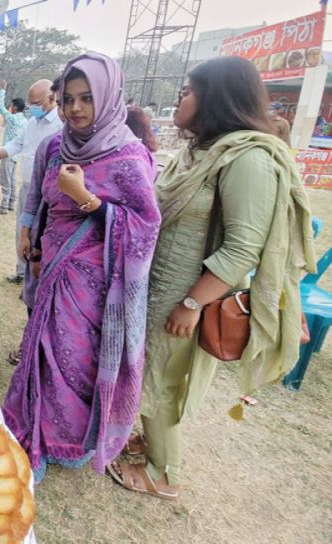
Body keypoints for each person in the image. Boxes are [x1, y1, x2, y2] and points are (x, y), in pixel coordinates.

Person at [109, 56, 315, 500]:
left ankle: (164, 474)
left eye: (187, 92)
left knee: (163, 380)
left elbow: (243, 246)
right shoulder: (198, 152)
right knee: (150, 370)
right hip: (159, 287)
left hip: (187, 297)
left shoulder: (249, 159)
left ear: (215, 98)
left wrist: (192, 304)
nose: (180, 99)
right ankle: (149, 442)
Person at [2, 52, 161, 481]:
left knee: (74, 360)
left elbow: (144, 228)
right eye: (68, 98)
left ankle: (65, 439)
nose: (75, 108)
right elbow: (37, 196)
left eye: (87, 98)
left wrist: (85, 198)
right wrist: (28, 234)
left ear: (108, 97)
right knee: (42, 349)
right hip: (51, 264)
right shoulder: (55, 146)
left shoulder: (130, 156)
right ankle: (33, 425)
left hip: (95, 284)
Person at [0, 79, 64, 284]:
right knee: (22, 231)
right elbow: (17, 144)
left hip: (48, 192)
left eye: (36, 103)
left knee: (41, 235)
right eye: (30, 103)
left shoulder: (60, 125)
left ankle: (37, 278)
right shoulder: (32, 123)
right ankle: (21, 272)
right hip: (28, 187)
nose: (32, 107)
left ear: (51, 98)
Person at [0, 80, 27, 215]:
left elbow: (0, 106)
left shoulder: (12, 119)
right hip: (16, 155)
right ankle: (11, 203)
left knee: (5, 180)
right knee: (12, 180)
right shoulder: (25, 121)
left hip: (8, 153)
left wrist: (3, 89)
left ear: (15, 107)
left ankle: (4, 206)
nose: (10, 108)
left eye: (11, 106)